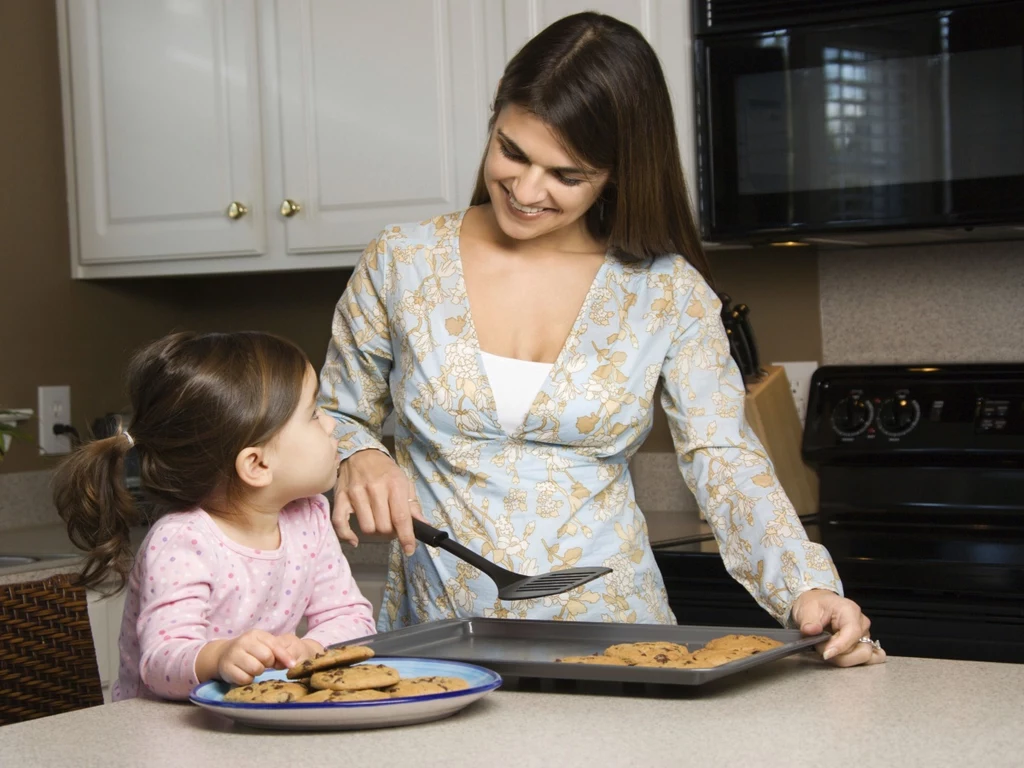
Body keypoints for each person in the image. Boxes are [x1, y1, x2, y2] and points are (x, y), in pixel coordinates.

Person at [319, 12, 884, 666]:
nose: (526, 191)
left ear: (618, 171)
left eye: (567, 175)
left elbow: (726, 459)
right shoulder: (401, 262)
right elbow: (336, 412)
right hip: (436, 648)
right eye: (512, 151)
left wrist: (805, 587)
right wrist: (359, 454)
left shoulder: (668, 293)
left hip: (620, 644)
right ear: (495, 114)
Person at [53, 331, 375, 701]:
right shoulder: (183, 541)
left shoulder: (310, 516)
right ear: (257, 464)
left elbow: (351, 616)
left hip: (251, 720)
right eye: (314, 414)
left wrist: (313, 646)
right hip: (166, 734)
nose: (331, 424)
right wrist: (218, 656)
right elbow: (160, 661)